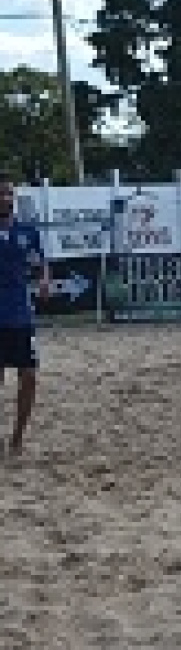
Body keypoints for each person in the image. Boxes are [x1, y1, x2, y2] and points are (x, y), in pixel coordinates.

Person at [0, 173, 49, 456]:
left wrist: (43, 279)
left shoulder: (27, 232)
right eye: (1, 193)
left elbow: (40, 262)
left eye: (9, 193)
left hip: (20, 314)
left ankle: (17, 439)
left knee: (29, 375)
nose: (6, 198)